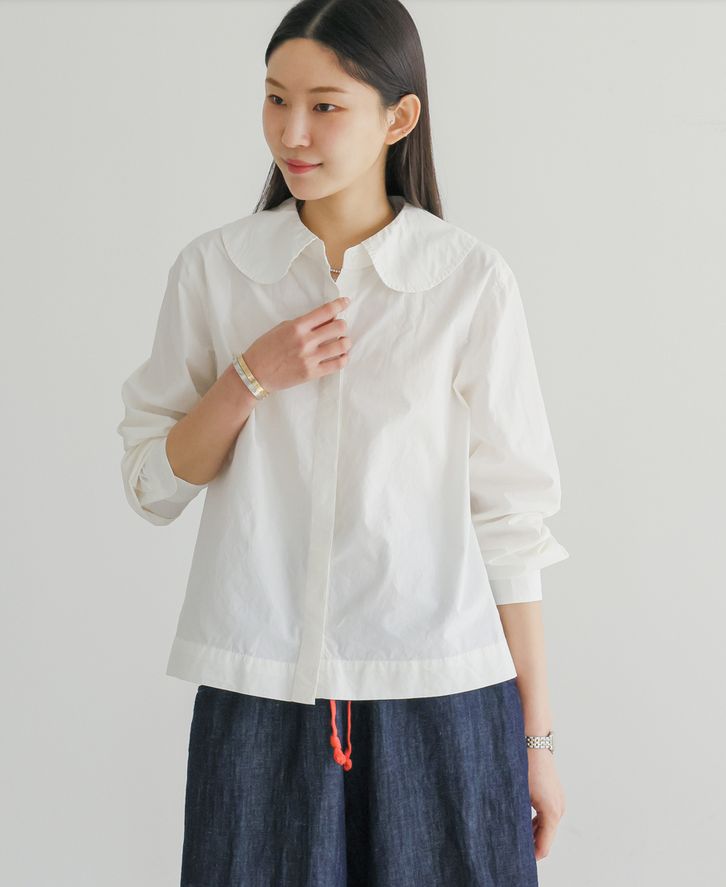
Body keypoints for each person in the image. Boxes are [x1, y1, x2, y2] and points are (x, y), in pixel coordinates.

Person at [117, 1, 569, 884]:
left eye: (325, 105)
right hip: (260, 689)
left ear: (398, 118)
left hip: (441, 693)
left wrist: (538, 742)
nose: (292, 132)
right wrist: (249, 376)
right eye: (275, 98)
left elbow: (510, 525)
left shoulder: (467, 281)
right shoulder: (215, 272)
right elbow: (152, 483)